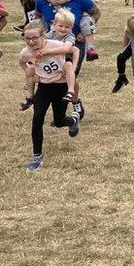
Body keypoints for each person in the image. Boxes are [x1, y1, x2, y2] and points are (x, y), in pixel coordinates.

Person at [18, 21, 81, 171]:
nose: (31, 41)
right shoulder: (25, 52)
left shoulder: (54, 44)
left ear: (43, 35)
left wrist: (71, 67)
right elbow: (22, 63)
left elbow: (75, 50)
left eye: (34, 38)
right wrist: (33, 71)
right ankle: (37, 155)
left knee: (59, 121)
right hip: (44, 88)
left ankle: (73, 120)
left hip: (60, 86)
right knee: (37, 118)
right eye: (27, 39)